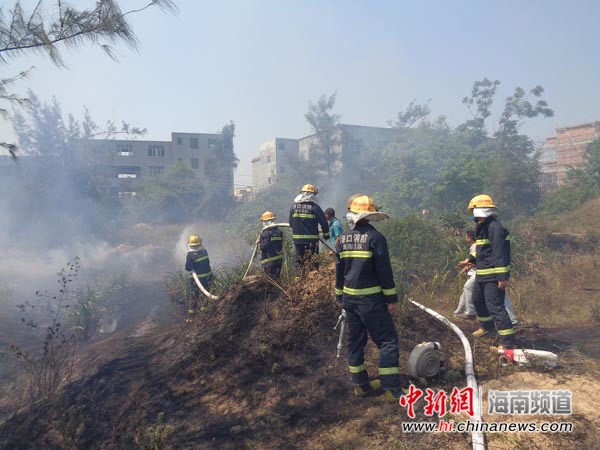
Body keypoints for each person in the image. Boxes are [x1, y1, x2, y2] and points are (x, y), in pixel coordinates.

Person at [335, 194, 405, 400]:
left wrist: (339, 296)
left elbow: (339, 271)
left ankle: (361, 386)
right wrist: (391, 299)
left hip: (349, 300)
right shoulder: (376, 238)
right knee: (388, 341)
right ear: (369, 216)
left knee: (355, 342)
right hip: (371, 301)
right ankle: (392, 390)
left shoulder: (342, 239)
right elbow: (384, 271)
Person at [466, 195, 516, 348]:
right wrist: (471, 259)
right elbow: (482, 249)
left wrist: (502, 277)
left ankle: (507, 343)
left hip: (493, 276)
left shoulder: (495, 227)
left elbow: (500, 253)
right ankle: (487, 328)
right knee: (477, 301)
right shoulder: (483, 227)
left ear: (481, 210)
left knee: (496, 308)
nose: (472, 215)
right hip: (482, 274)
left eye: (474, 211)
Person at [289, 184, 329, 269]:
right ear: (312, 195)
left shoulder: (293, 207)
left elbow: (291, 223)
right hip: (311, 241)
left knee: (299, 262)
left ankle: (299, 280)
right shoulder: (315, 207)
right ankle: (312, 280)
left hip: (298, 241)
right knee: (313, 263)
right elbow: (324, 223)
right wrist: (326, 235)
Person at [185, 234, 213, 322]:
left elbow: (188, 268)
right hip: (208, 277)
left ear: (189, 245)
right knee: (205, 294)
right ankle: (204, 313)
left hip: (197, 280)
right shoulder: (205, 251)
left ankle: (191, 317)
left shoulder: (190, 255)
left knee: (194, 295)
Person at [455, 230, 477, 320]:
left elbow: (473, 259)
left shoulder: (475, 246)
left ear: (469, 238)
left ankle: (471, 313)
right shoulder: (473, 246)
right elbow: (475, 261)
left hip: (477, 273)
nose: (465, 238)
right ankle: (458, 312)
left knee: (467, 288)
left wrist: (464, 263)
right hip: (473, 272)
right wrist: (467, 267)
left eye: (466, 236)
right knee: (465, 292)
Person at [258, 211, 284, 279]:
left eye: (264, 221)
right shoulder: (279, 231)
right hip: (279, 261)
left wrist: (260, 242)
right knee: (276, 279)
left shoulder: (266, 232)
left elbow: (264, 246)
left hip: (269, 262)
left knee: (270, 281)